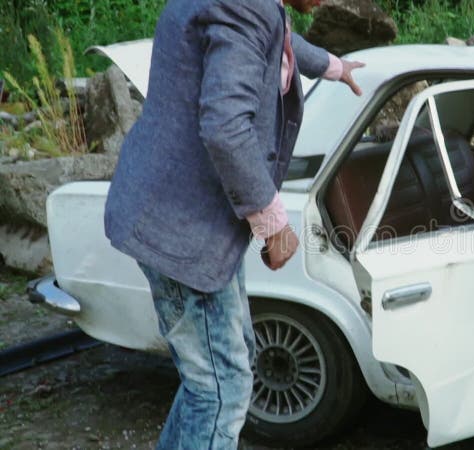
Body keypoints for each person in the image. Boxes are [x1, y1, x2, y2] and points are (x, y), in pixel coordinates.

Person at [103, 0, 364, 448]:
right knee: (221, 389)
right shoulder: (244, 7)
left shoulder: (251, 6)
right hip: (185, 228)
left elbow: (277, 36)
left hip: (176, 212)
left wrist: (332, 66)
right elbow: (226, 127)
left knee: (223, 370)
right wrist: (273, 224)